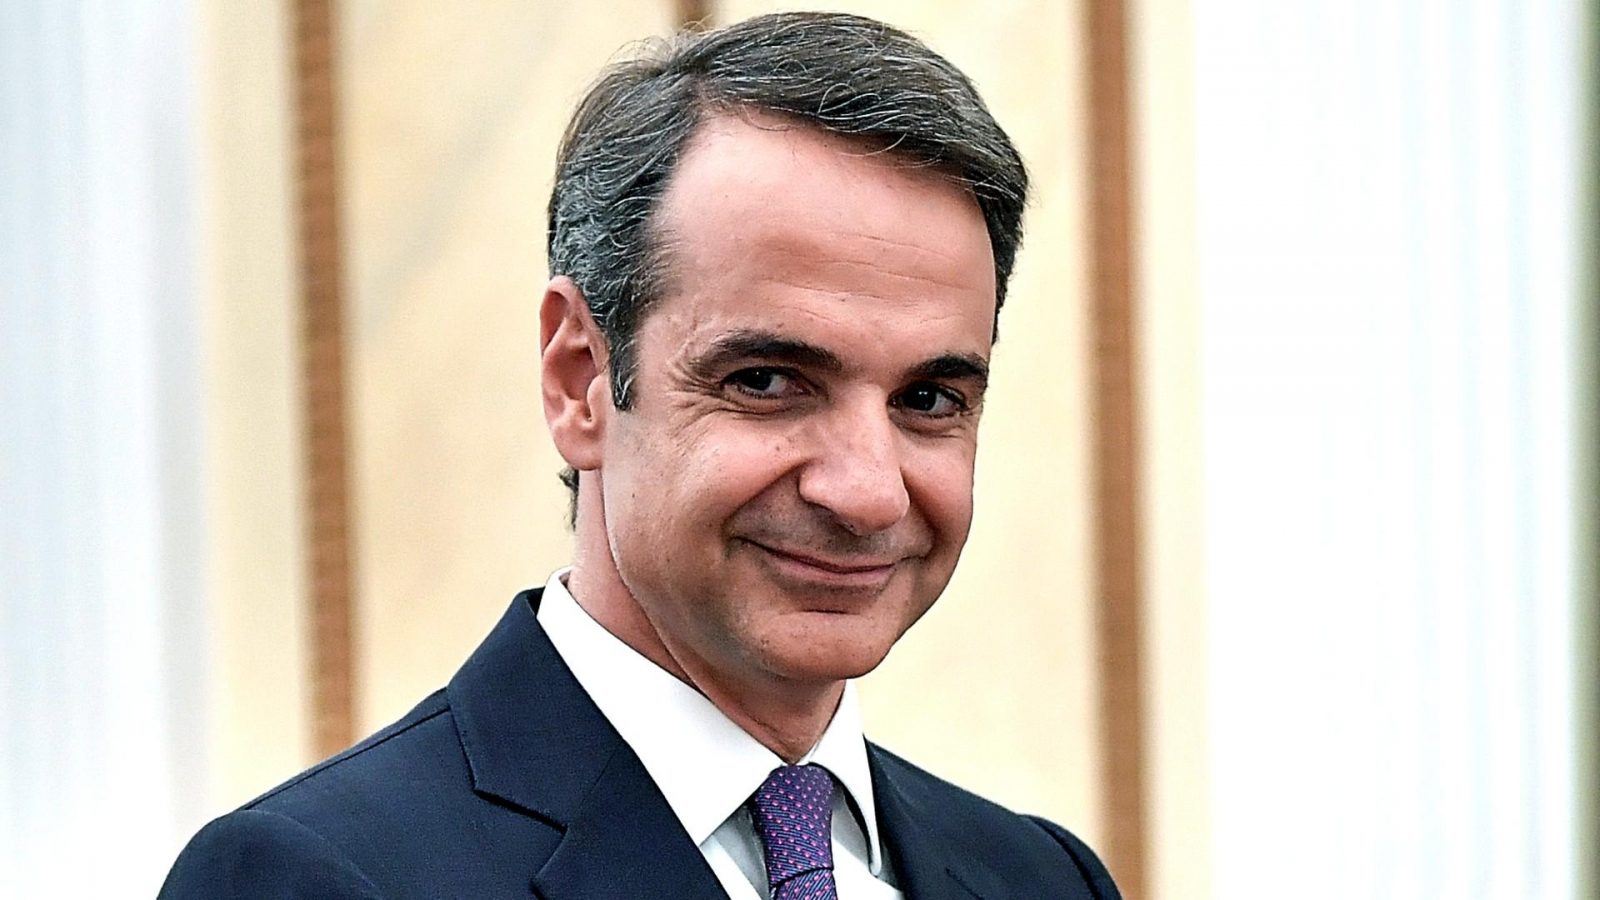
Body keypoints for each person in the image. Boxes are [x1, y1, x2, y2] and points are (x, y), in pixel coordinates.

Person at [161, 11, 1119, 899]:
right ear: (580, 378)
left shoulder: (1044, 881)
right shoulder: (315, 877)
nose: (867, 492)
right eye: (768, 381)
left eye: (928, 400)